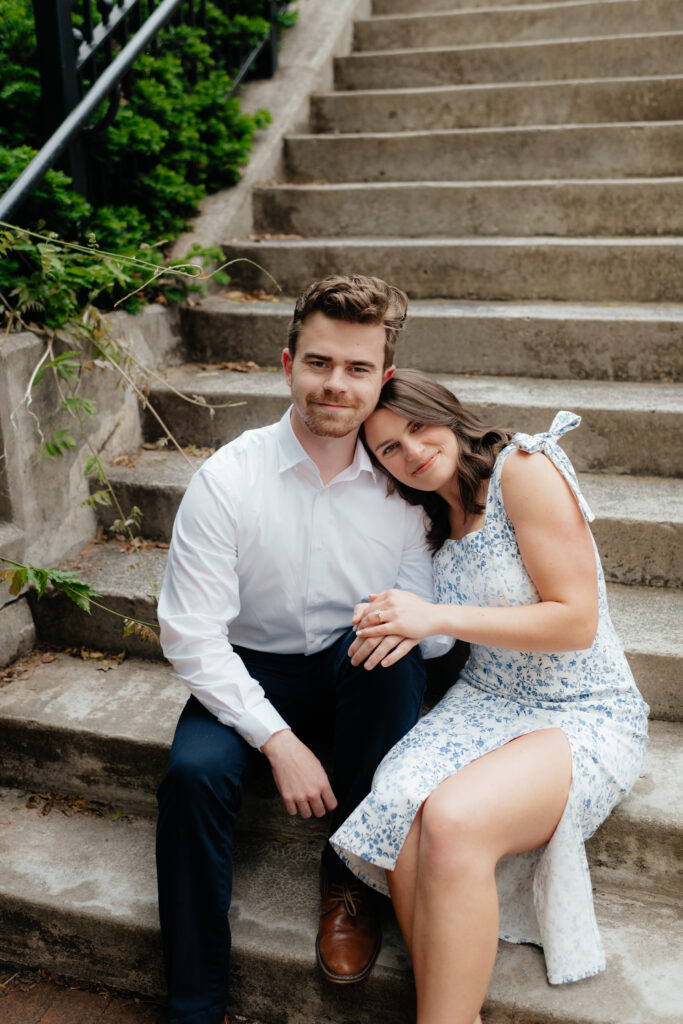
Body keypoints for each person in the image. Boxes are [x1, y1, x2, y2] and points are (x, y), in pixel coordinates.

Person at [155, 278, 451, 1024]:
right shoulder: (229, 479)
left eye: (356, 369)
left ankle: (348, 872)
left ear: (381, 378)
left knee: (395, 656)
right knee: (191, 777)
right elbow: (190, 635)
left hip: (350, 667)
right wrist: (278, 741)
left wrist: (397, 619)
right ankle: (195, 1003)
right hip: (251, 670)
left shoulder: (401, 482)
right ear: (287, 362)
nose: (334, 384)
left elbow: (438, 630)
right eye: (319, 363)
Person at [331, 369, 649, 1024]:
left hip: (582, 706)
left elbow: (573, 622)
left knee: (452, 819)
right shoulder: (422, 516)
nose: (412, 452)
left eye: (417, 428)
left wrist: (433, 617)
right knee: (396, 796)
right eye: (389, 448)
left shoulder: (521, 471)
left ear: (445, 414)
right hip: (486, 698)